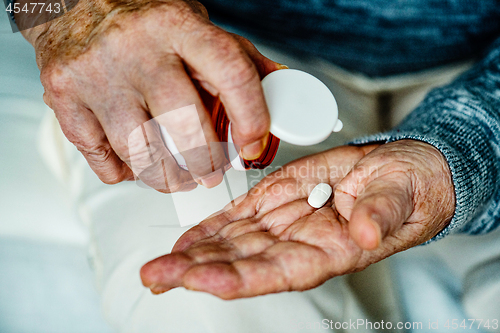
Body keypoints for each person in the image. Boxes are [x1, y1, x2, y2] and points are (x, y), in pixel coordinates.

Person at [9, 0, 500, 331]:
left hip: (482, 67)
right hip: (203, 54)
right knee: (199, 305)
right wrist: (68, 17)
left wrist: (466, 140)